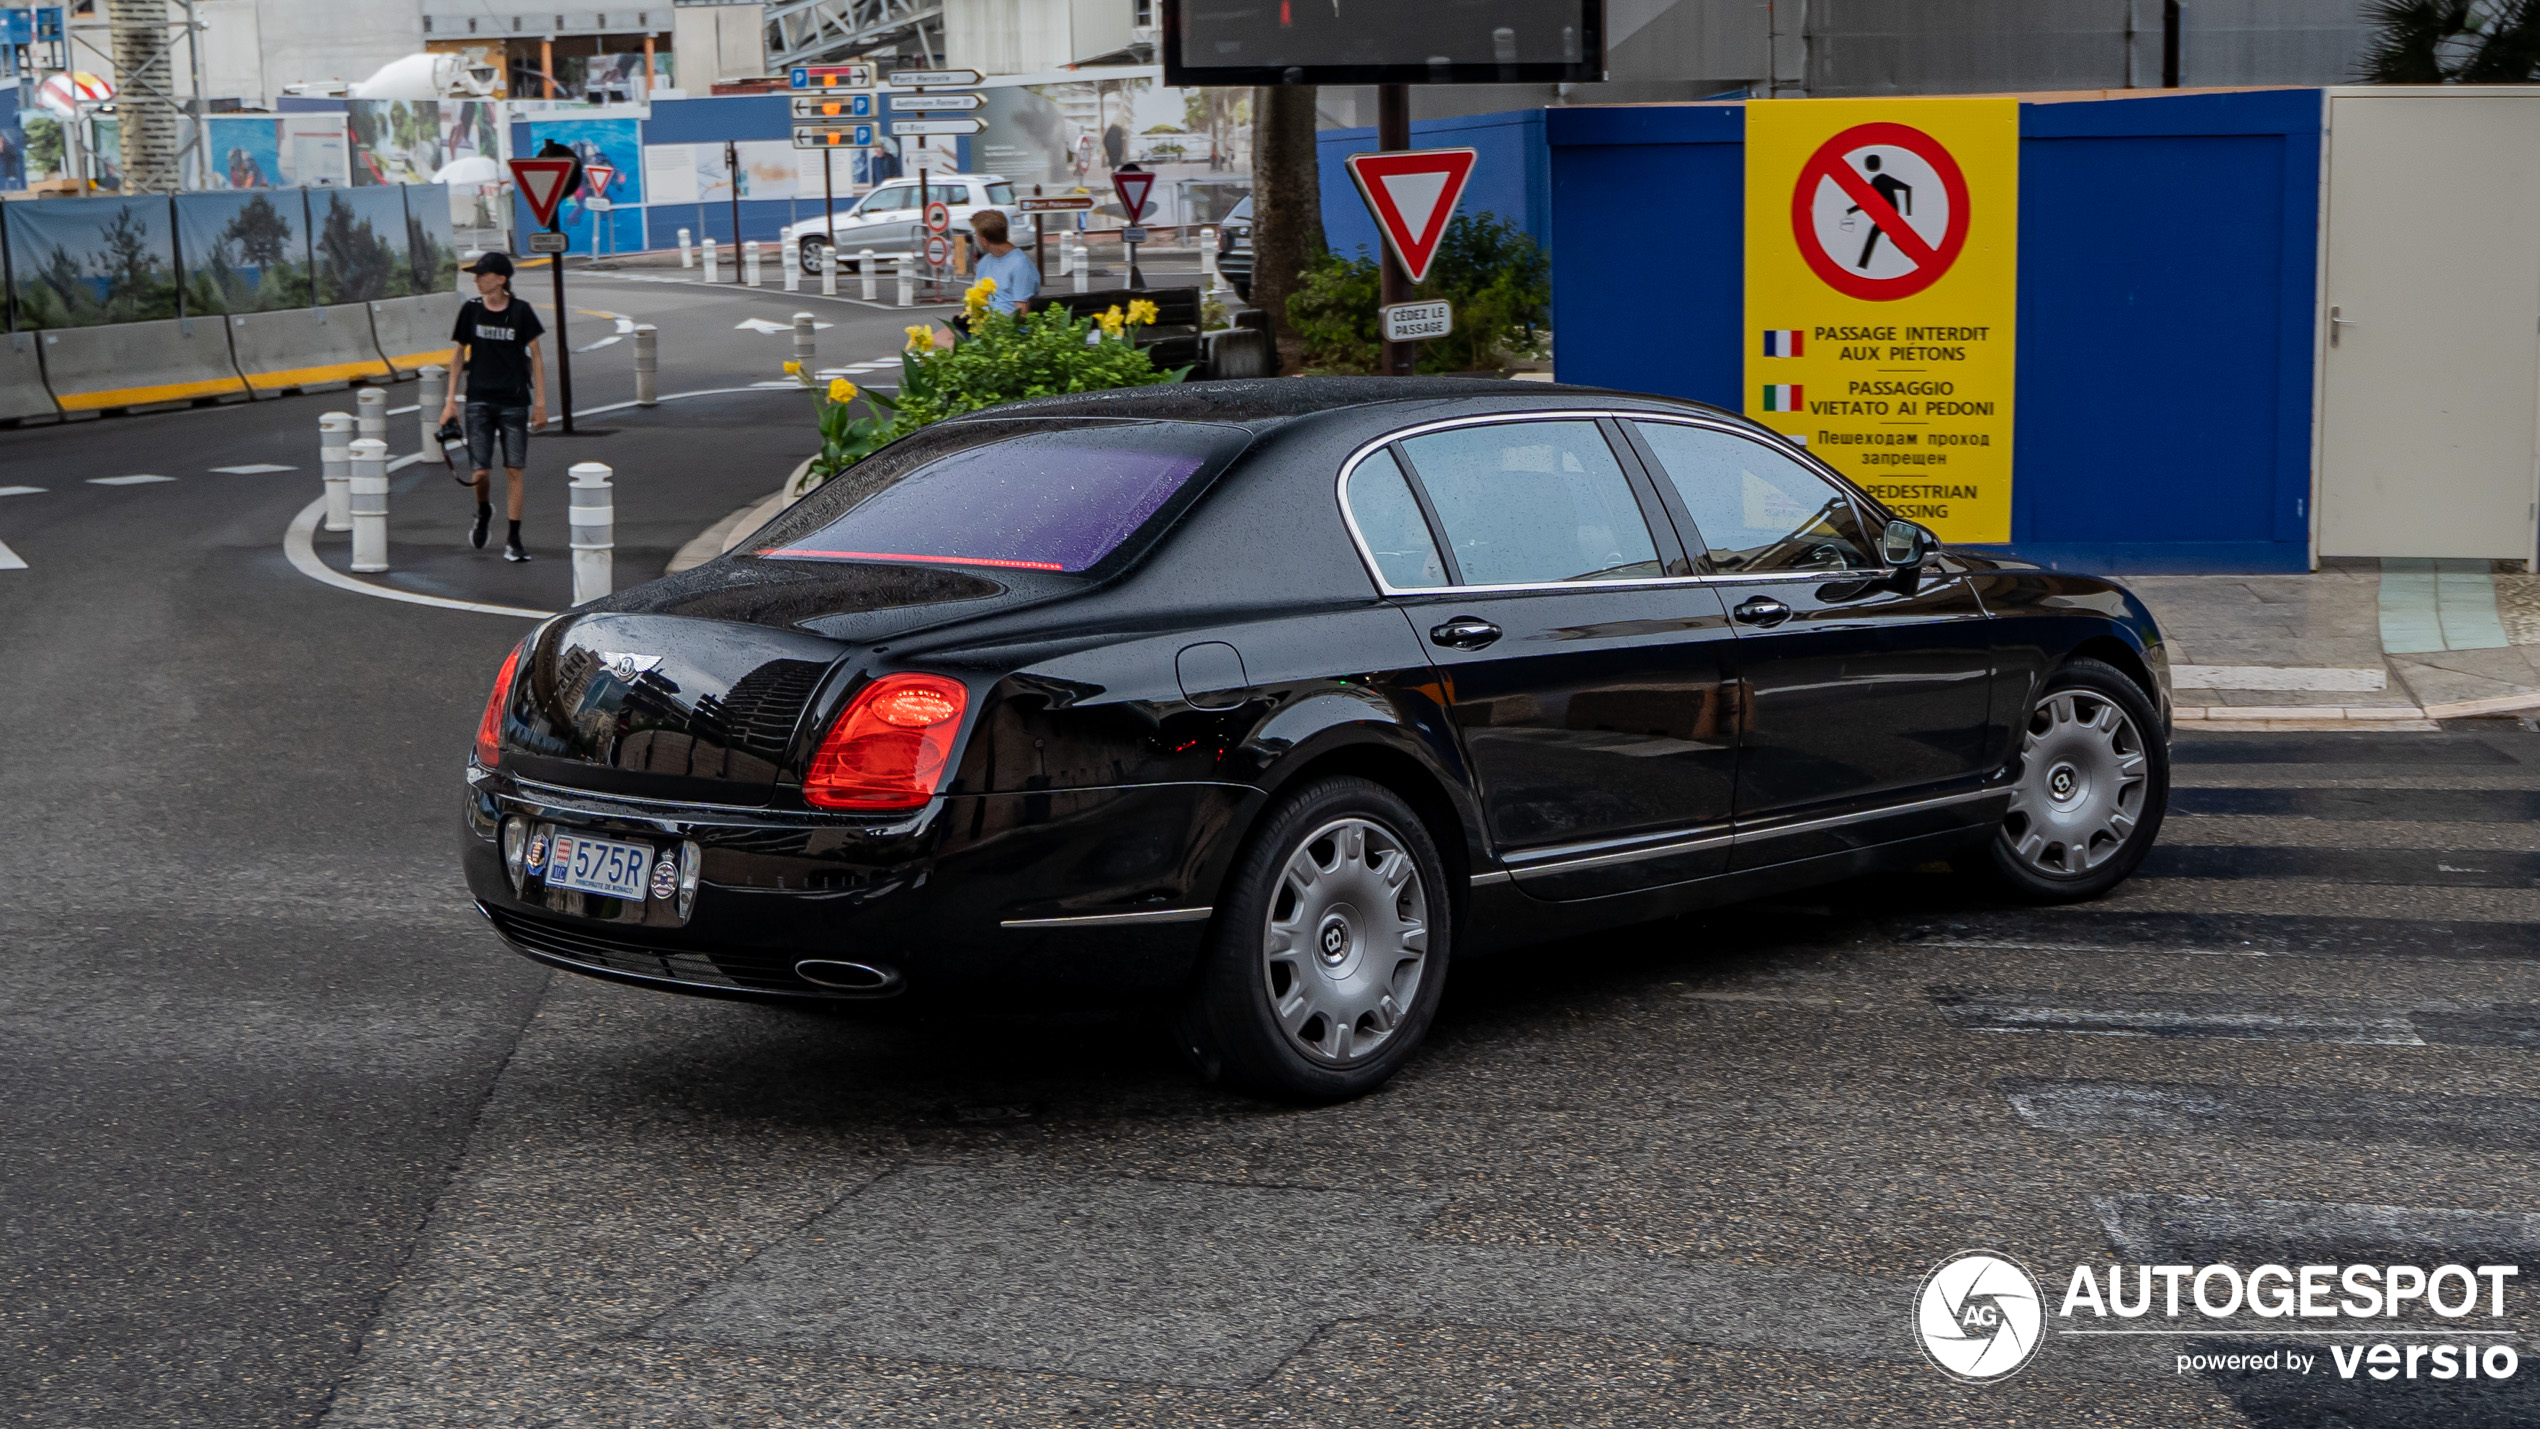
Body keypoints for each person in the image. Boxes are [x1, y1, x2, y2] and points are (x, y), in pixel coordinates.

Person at [437, 252, 547, 561]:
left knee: (514, 469)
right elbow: (458, 355)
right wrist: (450, 401)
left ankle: (514, 538)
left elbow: (536, 356)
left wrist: (540, 403)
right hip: (479, 401)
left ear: (500, 279)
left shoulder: (521, 312)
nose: (476, 279)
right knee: (480, 472)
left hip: (513, 400)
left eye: (482, 274)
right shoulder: (470, 311)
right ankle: (484, 510)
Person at [967, 209, 1040, 317]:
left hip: (1002, 326)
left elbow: (1021, 313)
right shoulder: (985, 261)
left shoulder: (1020, 265)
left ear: (984, 241)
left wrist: (992, 324)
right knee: (942, 334)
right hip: (980, 322)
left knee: (945, 334)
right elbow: (976, 298)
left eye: (976, 235)